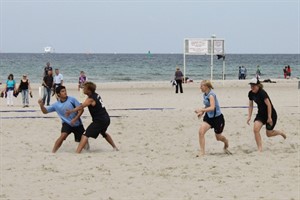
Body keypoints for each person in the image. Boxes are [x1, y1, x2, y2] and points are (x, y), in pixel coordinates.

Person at [65, 81, 118, 153]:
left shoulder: (91, 99)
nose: (83, 89)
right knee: (103, 133)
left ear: (89, 90)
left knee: (85, 135)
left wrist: (70, 111)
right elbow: (83, 104)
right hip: (106, 118)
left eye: (84, 88)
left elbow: (81, 106)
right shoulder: (95, 95)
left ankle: (77, 152)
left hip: (100, 120)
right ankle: (115, 147)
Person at [38, 85, 89, 153]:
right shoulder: (56, 105)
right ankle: (53, 152)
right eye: (62, 91)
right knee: (63, 136)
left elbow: (81, 109)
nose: (65, 92)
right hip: (67, 124)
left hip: (77, 124)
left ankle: (88, 151)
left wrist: (75, 119)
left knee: (84, 143)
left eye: (65, 91)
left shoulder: (72, 99)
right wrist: (41, 105)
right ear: (58, 94)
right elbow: (45, 112)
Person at [247, 77, 286, 152]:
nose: (252, 87)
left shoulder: (262, 93)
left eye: (254, 85)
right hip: (261, 114)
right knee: (255, 129)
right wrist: (249, 116)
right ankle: (260, 148)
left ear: (258, 85)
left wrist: (269, 117)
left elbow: (269, 105)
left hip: (271, 114)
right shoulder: (250, 93)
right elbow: (251, 105)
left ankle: (280, 132)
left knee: (269, 134)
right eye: (251, 85)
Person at [194, 80, 229, 157]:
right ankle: (202, 152)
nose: (200, 87)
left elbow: (212, 107)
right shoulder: (205, 95)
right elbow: (207, 106)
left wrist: (201, 110)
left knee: (218, 137)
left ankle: (226, 142)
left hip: (217, 118)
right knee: (201, 132)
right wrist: (202, 113)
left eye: (201, 86)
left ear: (206, 86)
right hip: (209, 117)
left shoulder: (211, 95)